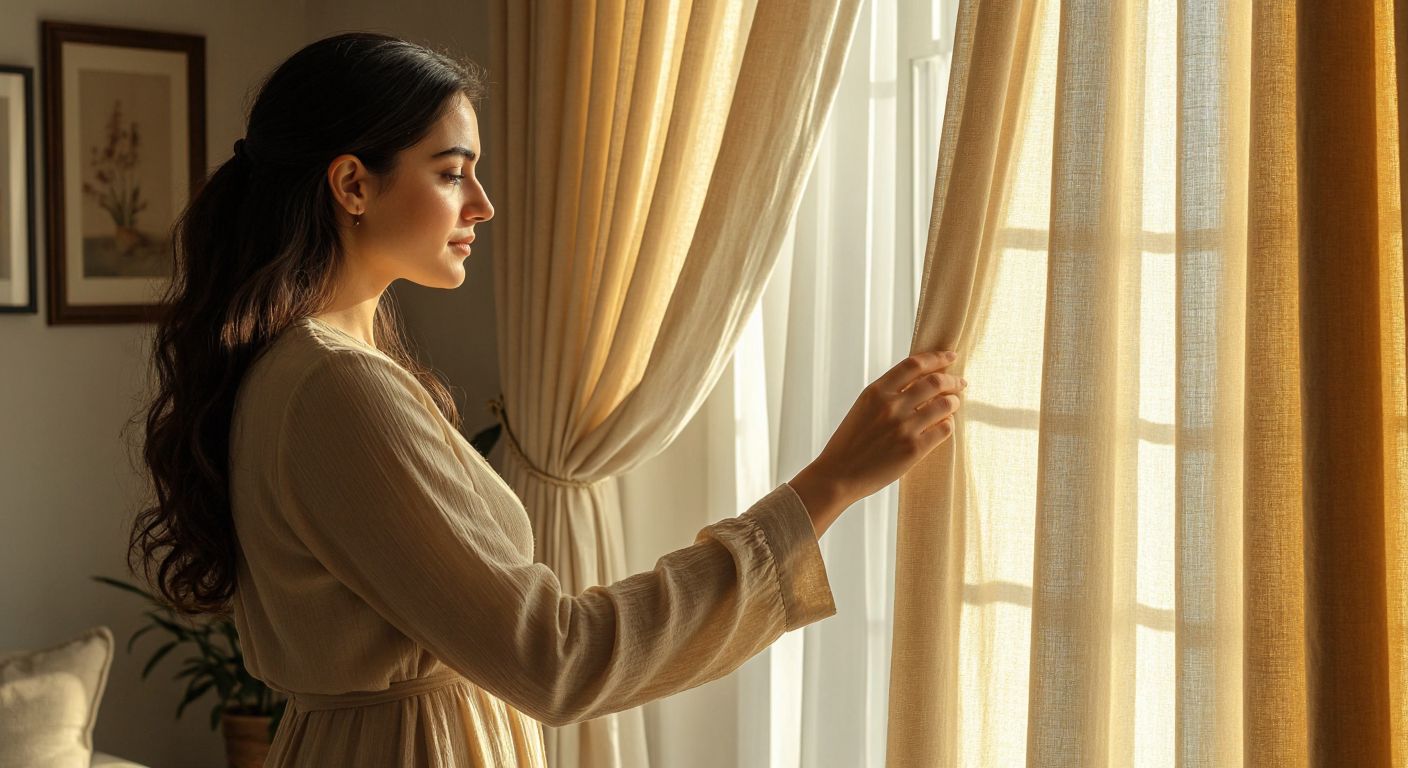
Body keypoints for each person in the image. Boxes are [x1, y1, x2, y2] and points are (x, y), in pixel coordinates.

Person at [128, 31, 966, 767]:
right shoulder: (335, 387)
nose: (483, 206)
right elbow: (556, 658)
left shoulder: (311, 371)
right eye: (452, 173)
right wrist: (826, 487)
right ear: (352, 185)